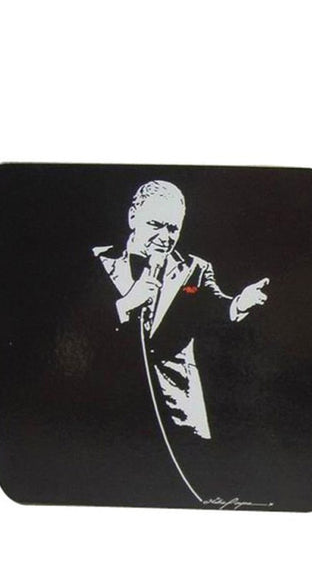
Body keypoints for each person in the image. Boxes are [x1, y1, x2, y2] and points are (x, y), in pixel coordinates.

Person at [91, 180, 270, 501]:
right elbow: (81, 331)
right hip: (113, 402)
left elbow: (218, 307)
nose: (165, 236)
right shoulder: (100, 261)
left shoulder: (195, 270)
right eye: (155, 225)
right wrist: (125, 304)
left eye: (173, 228)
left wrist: (240, 303)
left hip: (175, 403)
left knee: (187, 492)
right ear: (133, 216)